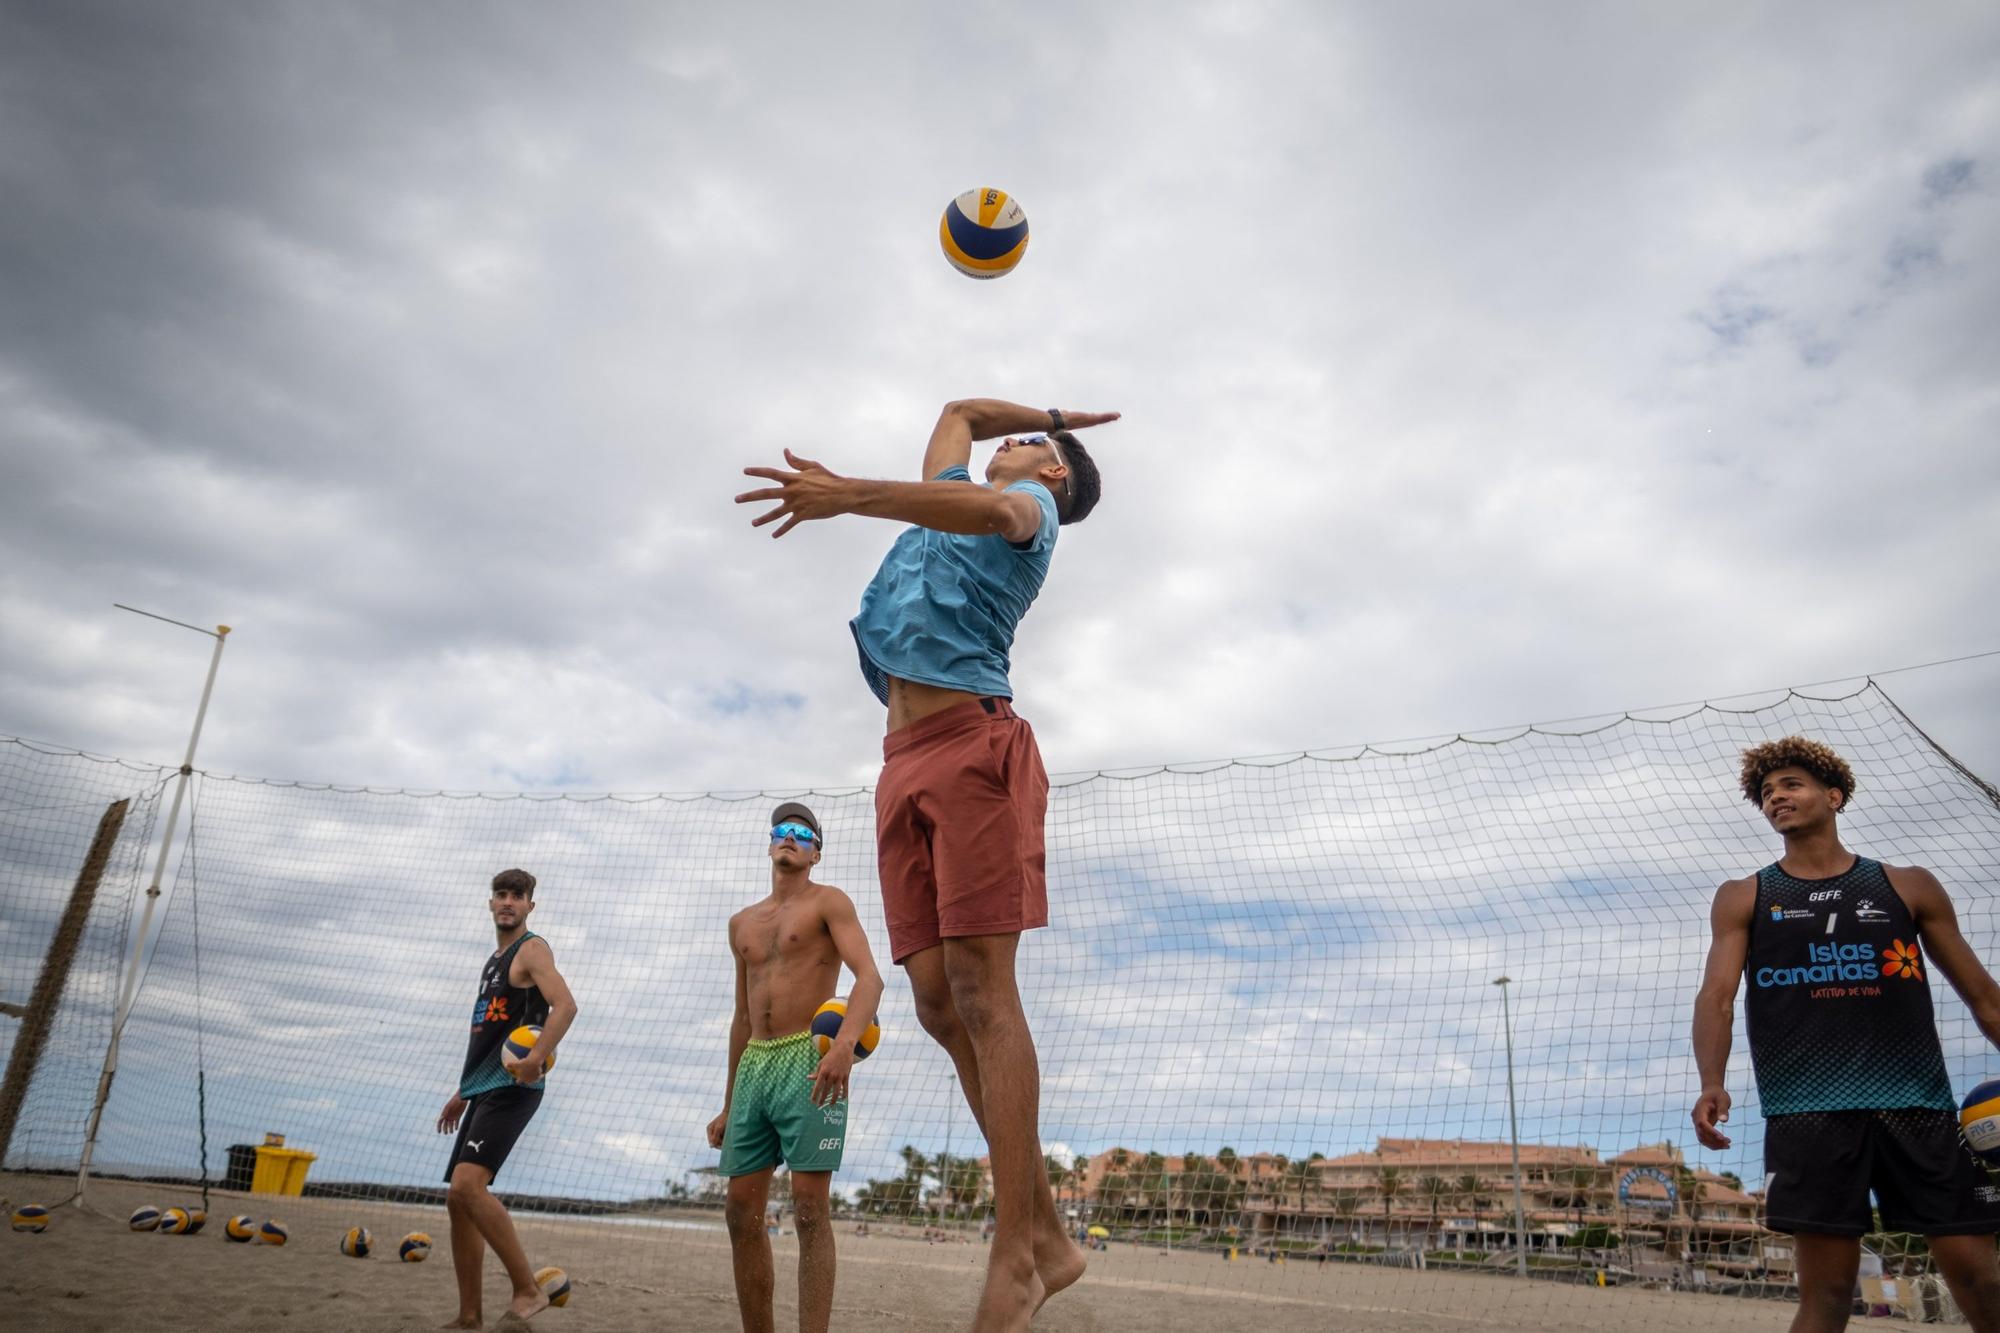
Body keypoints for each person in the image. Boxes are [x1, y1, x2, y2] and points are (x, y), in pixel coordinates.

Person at [737, 398, 1116, 1330]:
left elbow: (994, 512)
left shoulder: (1036, 514)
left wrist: (847, 495)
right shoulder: (952, 481)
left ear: (1056, 471)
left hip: (973, 746)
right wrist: (1057, 408)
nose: (1008, 447)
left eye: (1033, 445)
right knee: (939, 1003)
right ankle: (1053, 1238)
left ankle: (1015, 1254)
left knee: (987, 994)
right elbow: (961, 410)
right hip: (899, 763)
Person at [1691, 737, 2000, 1332]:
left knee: (1980, 1279)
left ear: (1833, 797)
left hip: (1919, 1106)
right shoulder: (1745, 896)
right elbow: (1718, 997)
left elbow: (1984, 997)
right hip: (1809, 1113)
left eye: (1791, 784)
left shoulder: (1906, 886)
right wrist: (1712, 1082)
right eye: (1767, 792)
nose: (1776, 797)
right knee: (1829, 1295)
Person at [707, 803, 886, 1333]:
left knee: (810, 1210)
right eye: (782, 832)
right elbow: (741, 1017)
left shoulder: (829, 902)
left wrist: (843, 1046)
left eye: (802, 834)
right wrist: (728, 1099)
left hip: (810, 1059)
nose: (790, 838)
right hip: (756, 1065)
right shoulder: (742, 922)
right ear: (769, 845)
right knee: (741, 1212)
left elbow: (870, 977)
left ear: (815, 853)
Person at [435, 868, 579, 1331]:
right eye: (501, 895)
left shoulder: (530, 950)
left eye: (517, 896)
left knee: (467, 1187)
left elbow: (566, 1005)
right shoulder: (493, 962)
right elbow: (491, 1034)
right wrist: (463, 1091)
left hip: (515, 1088)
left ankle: (526, 1289)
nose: (508, 902)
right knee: (457, 1201)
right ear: (490, 902)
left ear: (529, 906)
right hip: (484, 1089)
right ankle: (469, 1315)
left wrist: (537, 1057)